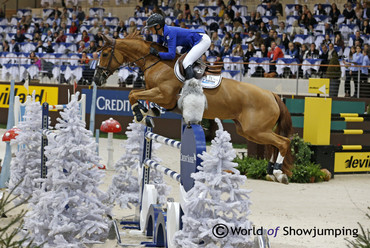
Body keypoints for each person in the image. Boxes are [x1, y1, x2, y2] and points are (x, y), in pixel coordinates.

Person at [146, 13, 211, 80]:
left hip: (202, 40)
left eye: (151, 27)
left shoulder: (170, 33)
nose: (149, 29)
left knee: (186, 62)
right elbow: (158, 47)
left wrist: (157, 54)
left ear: (157, 26)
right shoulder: (160, 34)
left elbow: (171, 55)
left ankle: (192, 86)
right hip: (192, 43)